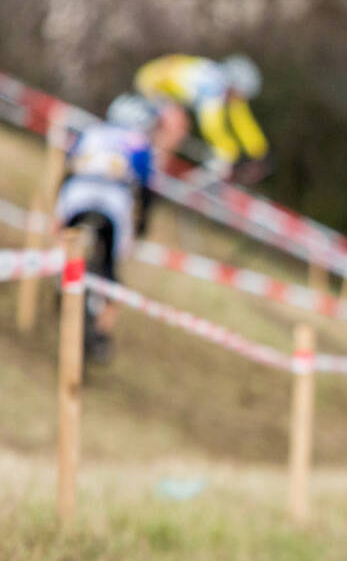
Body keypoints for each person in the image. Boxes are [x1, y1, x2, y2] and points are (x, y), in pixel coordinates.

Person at [54, 93, 159, 362]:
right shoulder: (140, 143)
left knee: (64, 243)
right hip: (114, 202)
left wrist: (58, 207)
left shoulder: (92, 131)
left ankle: (60, 277)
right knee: (113, 269)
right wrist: (142, 226)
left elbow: (67, 168)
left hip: (77, 193)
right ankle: (101, 334)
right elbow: (146, 191)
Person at [133, 53, 269, 182]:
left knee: (174, 125)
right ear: (233, 86)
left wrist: (259, 152)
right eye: (240, 94)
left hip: (163, 84)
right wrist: (227, 154)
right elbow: (211, 125)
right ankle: (153, 163)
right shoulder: (213, 86)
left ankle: (152, 155)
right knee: (177, 126)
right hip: (152, 82)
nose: (239, 99)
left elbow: (242, 120)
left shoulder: (226, 86)